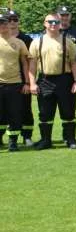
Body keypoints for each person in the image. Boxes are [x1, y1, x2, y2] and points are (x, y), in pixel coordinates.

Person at [27, 11, 76, 149]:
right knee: (45, 113)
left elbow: (74, 63)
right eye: (50, 22)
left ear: (60, 24)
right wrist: (32, 83)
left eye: (56, 22)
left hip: (65, 80)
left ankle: (70, 139)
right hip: (45, 80)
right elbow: (32, 66)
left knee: (68, 111)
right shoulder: (36, 42)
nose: (53, 25)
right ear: (45, 24)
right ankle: (46, 140)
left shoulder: (68, 42)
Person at [4, 10, 35, 145]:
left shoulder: (26, 39)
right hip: (4, 81)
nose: (12, 22)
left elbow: (29, 62)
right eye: (9, 19)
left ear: (18, 21)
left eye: (15, 19)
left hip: (22, 81)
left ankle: (27, 137)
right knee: (5, 110)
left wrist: (28, 82)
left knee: (25, 108)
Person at [0, 12, 29, 151]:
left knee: (15, 113)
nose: (3, 26)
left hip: (15, 83)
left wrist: (27, 83)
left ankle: (13, 142)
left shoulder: (18, 42)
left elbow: (25, 63)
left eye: (5, 23)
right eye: (1, 23)